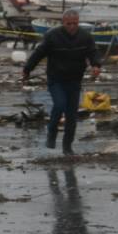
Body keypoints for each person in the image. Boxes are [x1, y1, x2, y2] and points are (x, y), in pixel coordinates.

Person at [21, 9, 101, 154]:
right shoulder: (52, 35)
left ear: (78, 22)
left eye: (75, 23)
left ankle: (67, 147)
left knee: (71, 115)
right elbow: (39, 53)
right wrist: (27, 69)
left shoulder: (85, 36)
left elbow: (93, 51)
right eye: (69, 24)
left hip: (75, 80)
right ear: (63, 23)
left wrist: (96, 65)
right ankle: (52, 132)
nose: (72, 27)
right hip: (56, 79)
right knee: (60, 104)